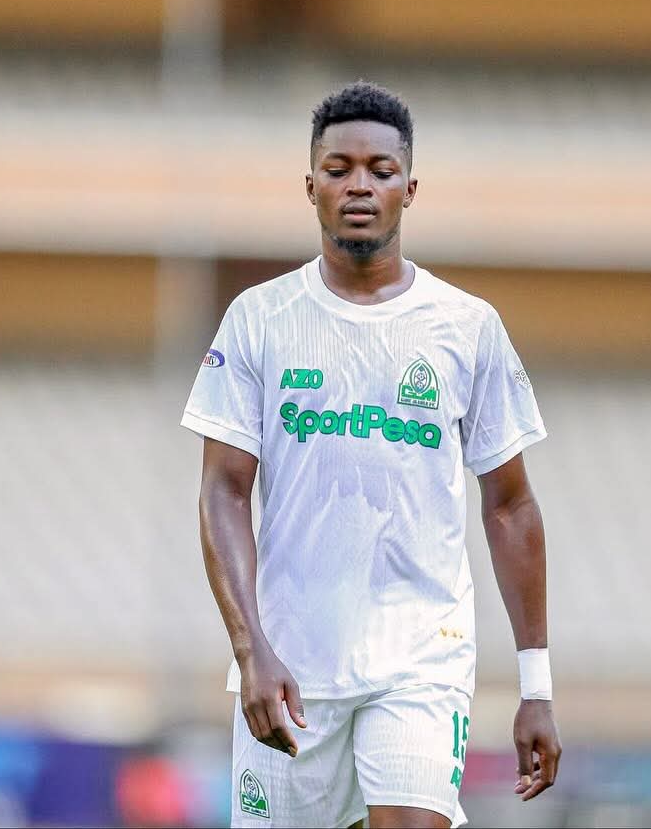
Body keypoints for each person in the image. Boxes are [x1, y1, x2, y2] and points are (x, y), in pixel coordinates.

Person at [183, 81, 560, 829]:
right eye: (339, 169)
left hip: (422, 659)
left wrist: (536, 685)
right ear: (311, 186)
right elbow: (223, 490)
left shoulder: (467, 327)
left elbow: (510, 505)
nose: (360, 185)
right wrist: (250, 651)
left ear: (409, 189)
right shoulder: (259, 319)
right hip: (292, 667)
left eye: (380, 171)